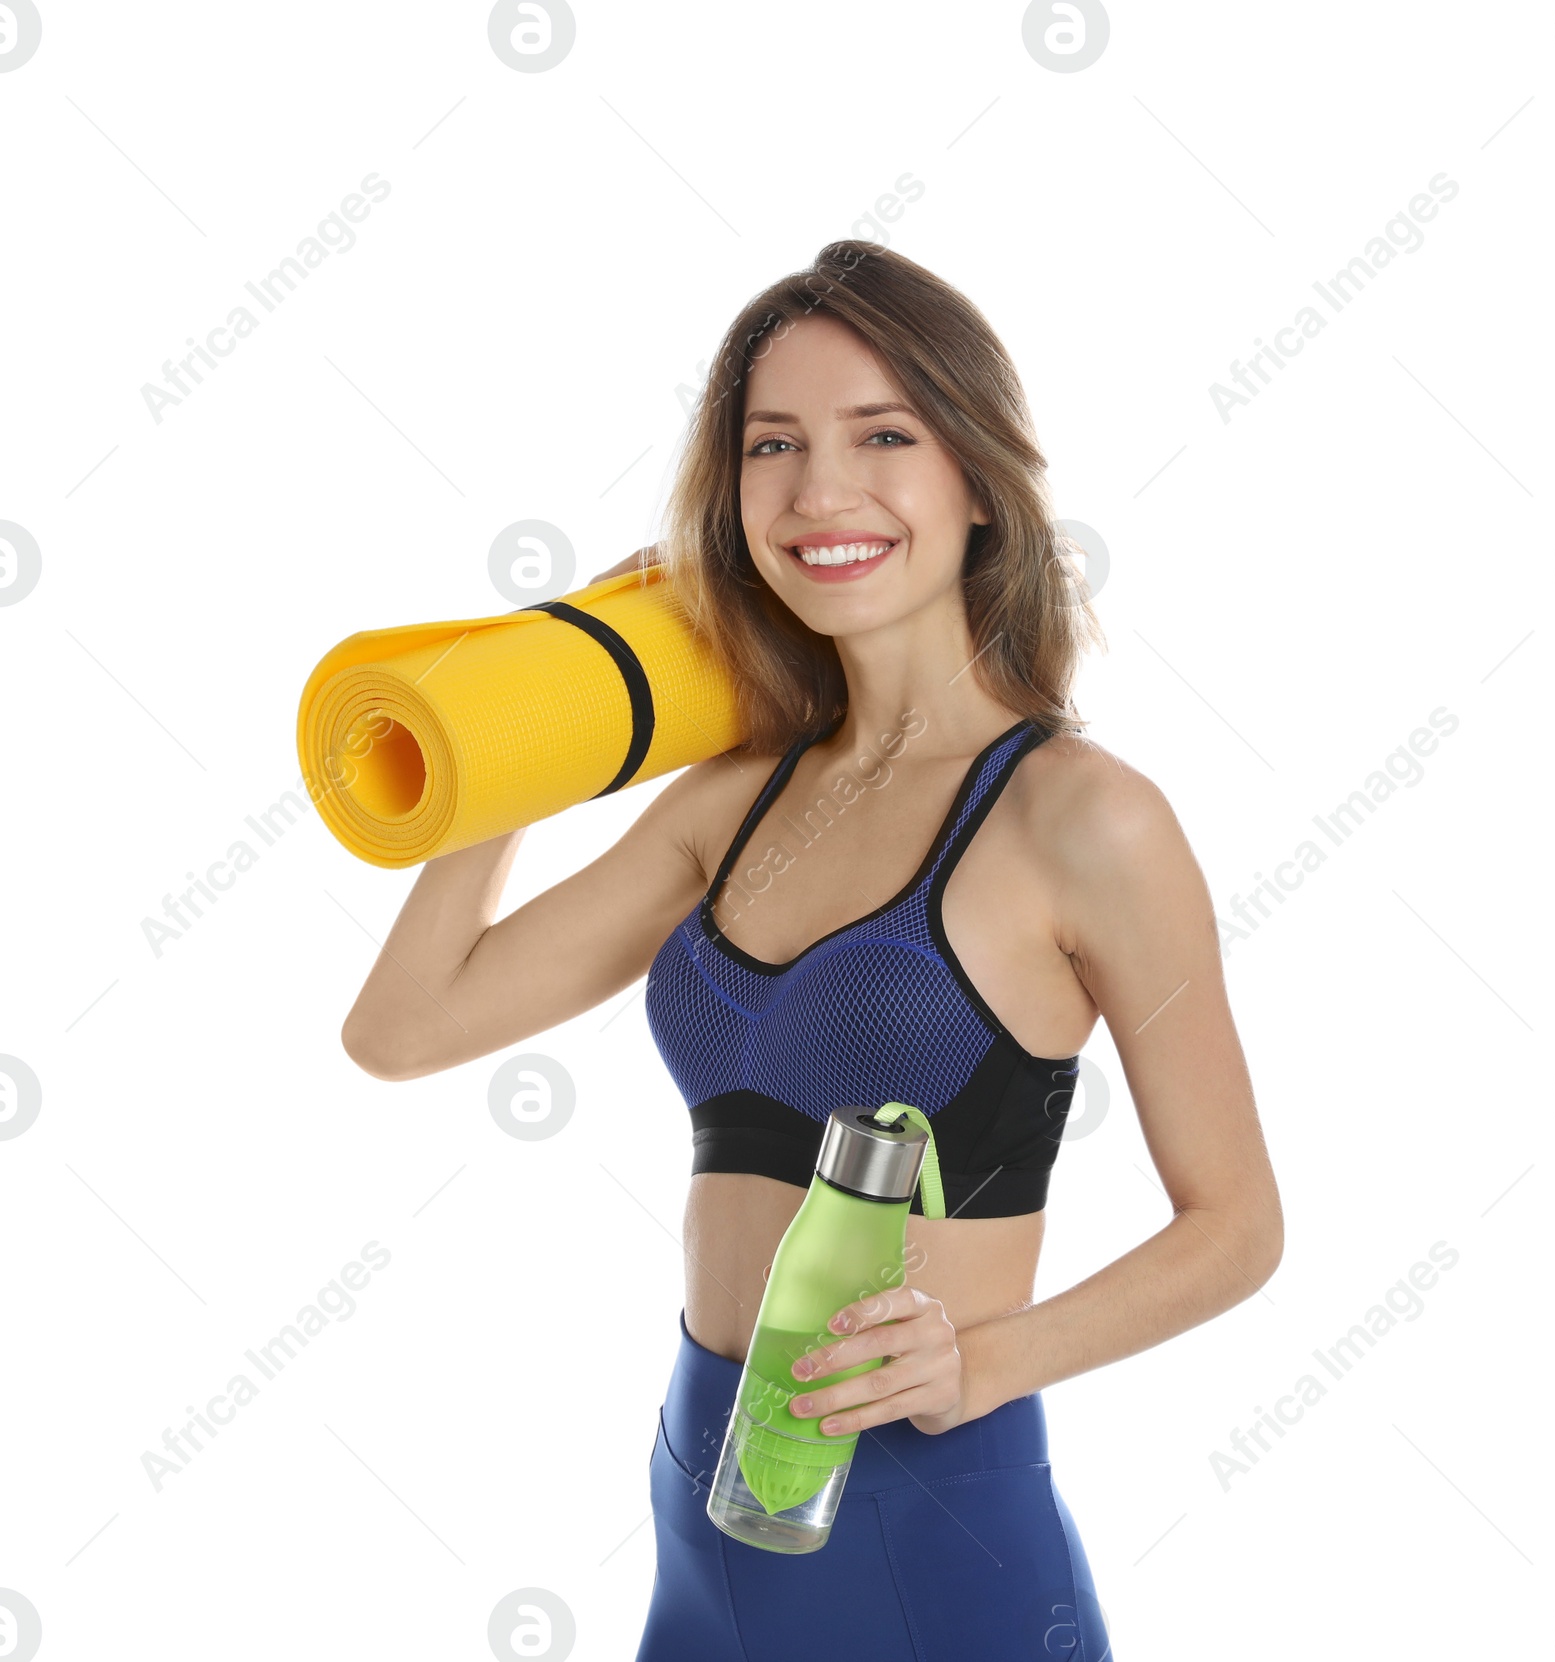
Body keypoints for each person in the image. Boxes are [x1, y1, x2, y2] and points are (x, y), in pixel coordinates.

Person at [340, 240, 1282, 1662]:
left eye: (882, 436)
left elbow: (1238, 1225)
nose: (818, 490)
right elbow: (404, 1026)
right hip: (701, 1499)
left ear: (976, 480)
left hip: (932, 1517)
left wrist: (988, 1359)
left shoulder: (1083, 820)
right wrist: (528, 705)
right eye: (771, 443)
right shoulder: (733, 800)